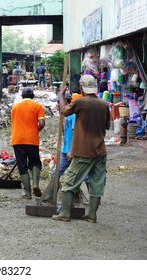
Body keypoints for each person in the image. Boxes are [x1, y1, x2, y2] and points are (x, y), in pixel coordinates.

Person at [52, 74, 110, 223]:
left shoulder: (81, 103)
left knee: (69, 182)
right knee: (97, 183)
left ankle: (65, 213)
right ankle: (92, 214)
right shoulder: (104, 104)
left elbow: (64, 111)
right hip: (100, 150)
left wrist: (61, 94)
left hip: (83, 151)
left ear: (82, 88)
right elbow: (107, 126)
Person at [44, 91, 89, 204]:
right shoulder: (66, 116)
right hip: (65, 151)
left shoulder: (74, 116)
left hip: (74, 151)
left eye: (59, 102)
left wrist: (72, 151)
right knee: (56, 172)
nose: (57, 105)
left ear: (67, 102)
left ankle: (93, 198)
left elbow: (76, 134)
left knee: (84, 175)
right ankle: (50, 195)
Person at [11, 87, 45, 199]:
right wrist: (35, 130)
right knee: (35, 162)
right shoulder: (38, 106)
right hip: (32, 139)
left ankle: (27, 192)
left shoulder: (15, 107)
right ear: (33, 96)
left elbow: (15, 122)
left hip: (17, 139)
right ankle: (35, 184)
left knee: (22, 165)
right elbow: (42, 123)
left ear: (22, 96)